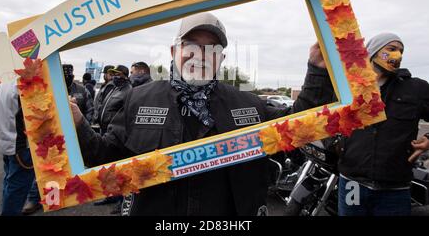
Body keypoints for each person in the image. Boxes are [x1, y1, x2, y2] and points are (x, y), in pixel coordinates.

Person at [70, 12, 332, 215]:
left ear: (221, 59)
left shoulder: (249, 104)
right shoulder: (138, 100)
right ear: (174, 52)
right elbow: (105, 155)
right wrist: (78, 124)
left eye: (212, 49)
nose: (201, 56)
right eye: (191, 46)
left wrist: (318, 70)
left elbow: (300, 126)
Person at [337, 33, 429, 216]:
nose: (398, 55)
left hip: (395, 189)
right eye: (391, 49)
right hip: (352, 184)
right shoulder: (349, 88)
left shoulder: (416, 89)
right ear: (372, 52)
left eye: (401, 51)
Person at [0, 81, 40, 215]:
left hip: (7, 142)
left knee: (10, 185)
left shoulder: (3, 84)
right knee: (16, 190)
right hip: (21, 147)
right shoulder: (22, 85)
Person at [93, 65, 132, 211]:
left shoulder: (128, 91)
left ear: (125, 75)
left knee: (119, 169)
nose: (115, 76)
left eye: (118, 74)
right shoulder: (115, 89)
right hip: (106, 132)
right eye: (113, 74)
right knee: (109, 168)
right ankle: (111, 195)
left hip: (118, 135)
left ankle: (121, 201)